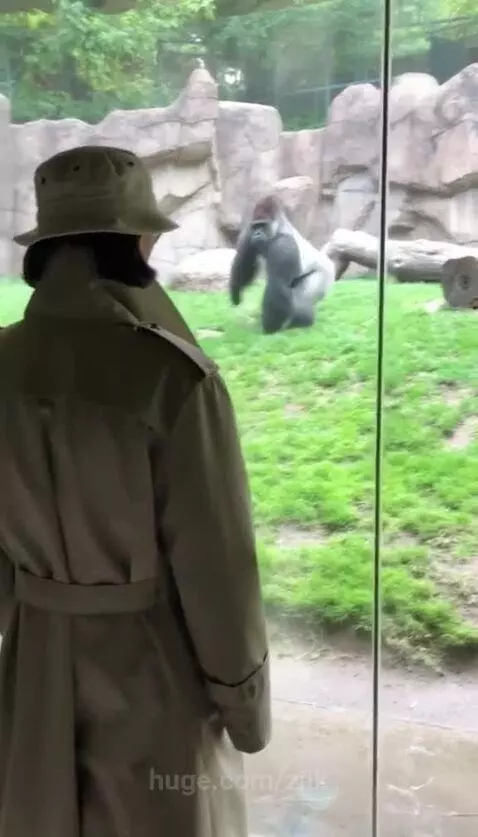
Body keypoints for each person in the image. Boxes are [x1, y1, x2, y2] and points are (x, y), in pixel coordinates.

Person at [0, 145, 271, 837]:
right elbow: (218, 568)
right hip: (151, 667)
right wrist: (244, 704)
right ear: (135, 243)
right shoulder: (174, 380)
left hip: (32, 665)